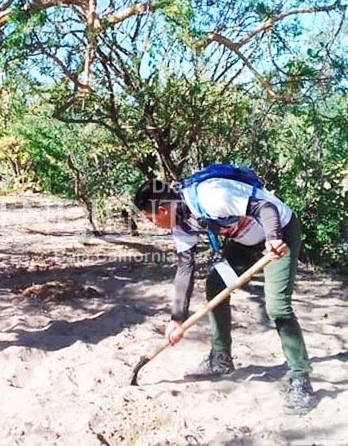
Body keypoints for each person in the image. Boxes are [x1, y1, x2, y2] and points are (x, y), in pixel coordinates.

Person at [133, 170, 317, 414]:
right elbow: (185, 266)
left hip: (279, 233)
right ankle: (220, 360)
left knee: (277, 307)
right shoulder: (180, 224)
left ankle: (301, 379)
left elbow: (266, 209)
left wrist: (273, 238)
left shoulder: (212, 195)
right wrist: (177, 318)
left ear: (163, 210)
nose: (152, 224)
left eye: (150, 218)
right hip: (244, 241)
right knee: (215, 285)